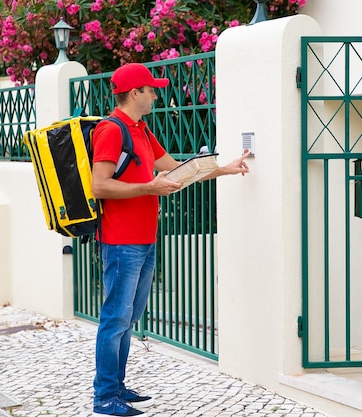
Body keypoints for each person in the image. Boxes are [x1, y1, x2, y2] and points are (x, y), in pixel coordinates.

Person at [90, 62, 250, 417]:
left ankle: (117, 387)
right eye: (151, 90)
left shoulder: (142, 131)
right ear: (135, 93)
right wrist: (149, 186)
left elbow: (177, 170)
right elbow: (99, 185)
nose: (156, 94)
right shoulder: (112, 130)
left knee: (128, 318)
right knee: (115, 318)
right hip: (120, 242)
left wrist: (224, 168)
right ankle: (104, 398)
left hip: (144, 240)